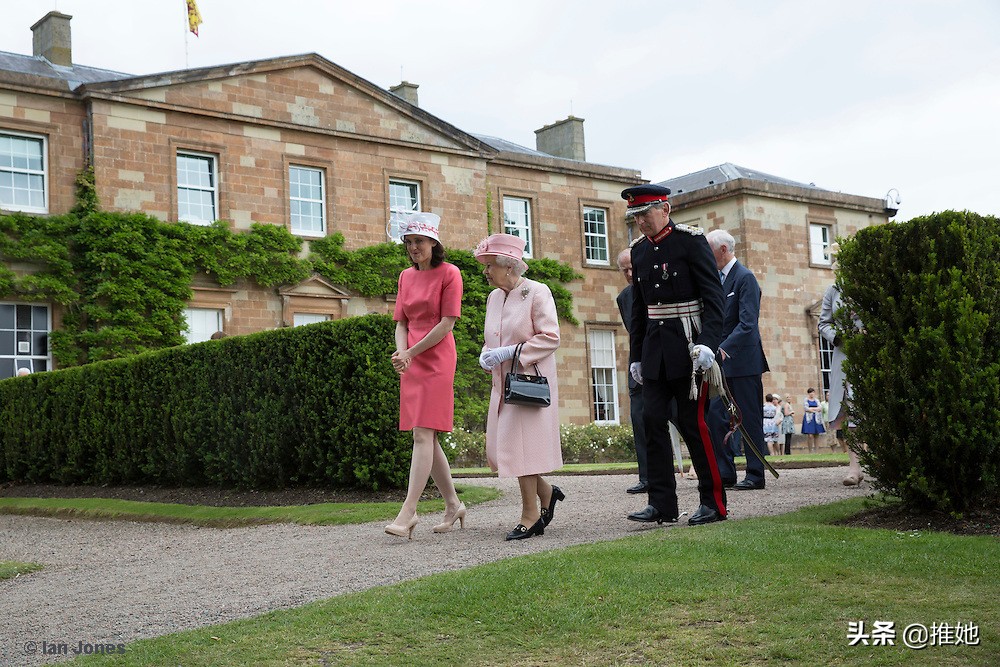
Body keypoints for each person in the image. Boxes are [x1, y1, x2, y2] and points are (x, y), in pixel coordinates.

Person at [621, 184, 728, 526]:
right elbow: (639, 307)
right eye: (636, 216)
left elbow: (714, 298)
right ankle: (662, 503)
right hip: (654, 348)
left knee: (692, 425)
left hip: (689, 346)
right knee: (651, 421)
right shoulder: (638, 252)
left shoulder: (690, 241)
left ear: (665, 210)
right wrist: (636, 355)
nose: (641, 222)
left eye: (645, 214)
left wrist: (709, 343)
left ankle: (713, 503)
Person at [475, 233, 564, 541]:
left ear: (509, 266)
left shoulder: (537, 292)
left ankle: (531, 515)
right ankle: (547, 493)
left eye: (489, 266)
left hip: (528, 383)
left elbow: (550, 337)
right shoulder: (494, 297)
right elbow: (495, 335)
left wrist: (512, 352)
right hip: (503, 384)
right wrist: (487, 352)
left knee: (521, 451)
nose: (485, 272)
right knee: (506, 450)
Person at [385, 212, 466, 539]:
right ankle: (453, 504)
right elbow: (401, 322)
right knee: (425, 436)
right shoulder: (405, 276)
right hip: (412, 360)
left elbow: (447, 323)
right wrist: (401, 353)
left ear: (434, 242)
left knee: (422, 434)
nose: (413, 247)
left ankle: (409, 512)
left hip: (437, 358)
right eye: (408, 242)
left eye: (418, 241)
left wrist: (410, 353)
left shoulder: (451, 273)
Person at [705, 229, 770, 490]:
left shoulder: (745, 278)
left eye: (709, 251)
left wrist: (722, 349)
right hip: (719, 365)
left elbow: (748, 324)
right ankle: (725, 473)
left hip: (743, 362)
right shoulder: (715, 279)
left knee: (749, 418)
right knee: (716, 417)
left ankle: (756, 474)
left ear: (723, 249)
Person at [819, 280, 866, 485]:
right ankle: (855, 468)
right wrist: (838, 336)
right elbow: (823, 322)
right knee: (852, 409)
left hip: (873, 352)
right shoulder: (834, 289)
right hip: (845, 354)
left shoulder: (870, 281)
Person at [617, 248, 650, 493]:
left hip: (664, 367)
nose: (630, 273)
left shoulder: (656, 289)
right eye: (624, 270)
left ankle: (704, 472)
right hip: (637, 370)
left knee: (684, 421)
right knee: (640, 422)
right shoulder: (623, 298)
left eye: (632, 267)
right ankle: (646, 477)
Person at [801, 387, 825, 453]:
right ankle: (810, 450)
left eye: (813, 392)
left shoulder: (816, 400)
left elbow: (820, 407)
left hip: (816, 418)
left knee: (816, 434)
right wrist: (814, 409)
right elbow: (806, 408)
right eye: (810, 393)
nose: (811, 394)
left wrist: (812, 409)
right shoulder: (806, 400)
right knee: (810, 435)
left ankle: (817, 451)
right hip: (809, 418)